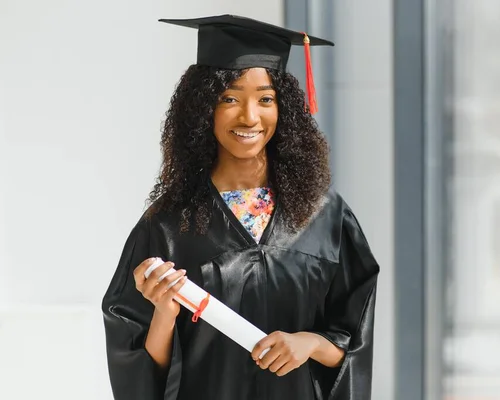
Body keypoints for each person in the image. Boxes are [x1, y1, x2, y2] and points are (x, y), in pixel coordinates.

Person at [102, 14, 380, 400]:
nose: (250, 117)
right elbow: (140, 373)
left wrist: (311, 344)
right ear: (203, 109)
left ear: (284, 109)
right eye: (229, 98)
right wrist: (164, 311)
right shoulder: (168, 225)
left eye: (265, 99)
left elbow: (354, 339)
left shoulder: (326, 216)